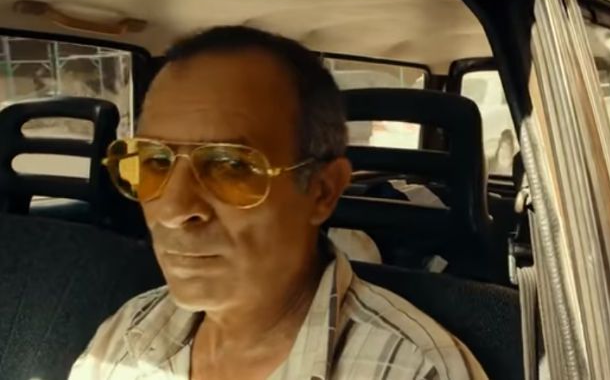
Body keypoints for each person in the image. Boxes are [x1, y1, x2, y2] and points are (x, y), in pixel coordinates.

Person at [68, 26, 485, 380]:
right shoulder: (128, 333)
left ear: (322, 191)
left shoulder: (412, 370)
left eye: (231, 165)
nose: (173, 211)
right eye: (153, 162)